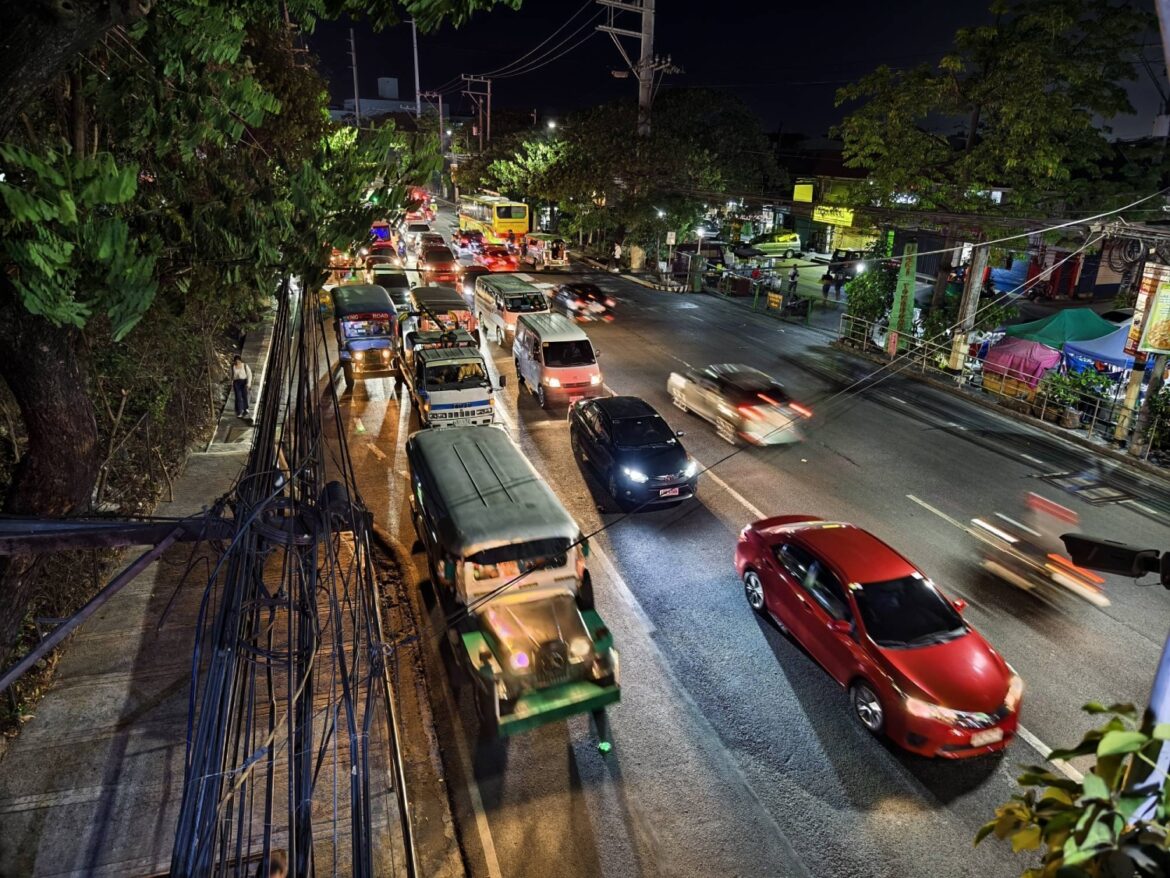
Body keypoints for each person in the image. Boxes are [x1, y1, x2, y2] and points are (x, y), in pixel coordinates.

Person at [231, 355, 253, 419]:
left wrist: (249, 383)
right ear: (234, 361)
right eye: (236, 361)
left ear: (240, 360)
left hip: (244, 382)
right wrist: (231, 382)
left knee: (244, 396)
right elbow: (232, 375)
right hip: (236, 383)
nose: (237, 362)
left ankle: (245, 408)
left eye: (238, 361)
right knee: (238, 397)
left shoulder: (245, 366)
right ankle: (240, 412)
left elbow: (249, 375)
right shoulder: (233, 366)